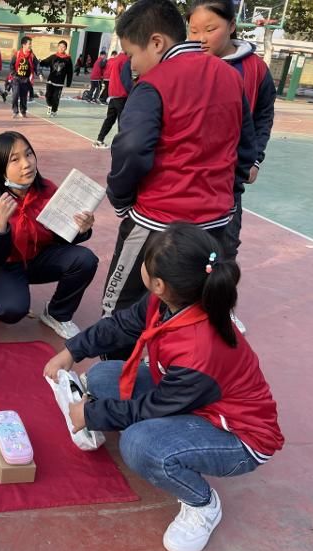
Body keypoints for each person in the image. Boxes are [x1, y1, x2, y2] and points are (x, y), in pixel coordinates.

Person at [44, 223, 284, 551]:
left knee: (140, 443)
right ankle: (108, 418)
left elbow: (153, 408)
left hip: (240, 437)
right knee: (101, 377)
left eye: (145, 261)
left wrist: (92, 414)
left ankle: (202, 505)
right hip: (193, 398)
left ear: (158, 282)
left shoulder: (201, 347)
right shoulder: (167, 300)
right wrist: (73, 350)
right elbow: (121, 324)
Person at [98, 0, 256, 360]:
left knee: (120, 308)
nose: (131, 65)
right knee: (190, 310)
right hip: (212, 225)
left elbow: (133, 147)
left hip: (157, 223)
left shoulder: (155, 84)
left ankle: (112, 387)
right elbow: (244, 149)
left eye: (131, 54)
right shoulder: (230, 76)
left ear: (156, 42)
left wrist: (120, 197)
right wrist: (227, 195)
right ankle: (170, 377)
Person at [0, 132, 99, 339]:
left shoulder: (48, 190)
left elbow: (60, 237)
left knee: (85, 260)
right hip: (5, 265)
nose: (26, 164)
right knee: (11, 310)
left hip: (39, 258)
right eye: (14, 160)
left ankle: (56, 314)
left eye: (29, 154)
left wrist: (81, 229)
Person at [187, 0, 276, 267]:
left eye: (210, 29)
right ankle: (169, 308)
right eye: (193, 30)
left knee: (223, 251)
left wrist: (255, 159)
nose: (200, 38)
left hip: (227, 181)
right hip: (183, 175)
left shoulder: (255, 69)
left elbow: (263, 115)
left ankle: (215, 306)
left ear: (232, 26)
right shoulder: (182, 63)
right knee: (174, 250)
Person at [92, 50, 131, 148]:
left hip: (113, 94)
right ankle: (122, 145)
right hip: (121, 94)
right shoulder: (125, 60)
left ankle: (99, 140)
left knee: (110, 119)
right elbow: (126, 79)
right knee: (123, 121)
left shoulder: (116, 59)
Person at [38, 39, 73, 117]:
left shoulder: (68, 59)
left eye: (63, 47)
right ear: (58, 47)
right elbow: (45, 62)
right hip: (51, 80)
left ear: (65, 48)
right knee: (48, 96)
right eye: (60, 46)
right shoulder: (53, 57)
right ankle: (50, 106)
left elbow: (70, 72)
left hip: (59, 83)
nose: (61, 48)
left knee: (56, 98)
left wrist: (68, 83)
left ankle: (54, 110)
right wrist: (39, 61)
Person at [10, 36, 37, 118]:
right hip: (16, 78)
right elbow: (12, 64)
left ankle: (23, 111)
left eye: (31, 44)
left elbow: (36, 65)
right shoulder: (17, 54)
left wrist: (39, 73)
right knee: (15, 95)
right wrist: (13, 73)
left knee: (23, 96)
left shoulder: (32, 56)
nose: (30, 46)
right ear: (23, 45)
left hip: (25, 79)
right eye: (29, 44)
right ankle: (15, 111)